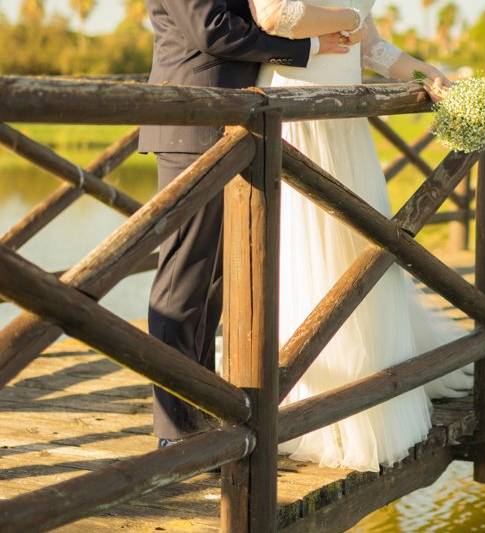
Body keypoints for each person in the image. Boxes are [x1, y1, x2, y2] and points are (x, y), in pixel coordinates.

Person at [249, 0, 485, 472]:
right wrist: (349, 19)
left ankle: (366, 387)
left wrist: (429, 76)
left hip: (344, 125)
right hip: (294, 113)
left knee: (357, 254)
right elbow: (275, 16)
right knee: (303, 252)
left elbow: (374, 49)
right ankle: (298, 395)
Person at [139, 0, 349, 448]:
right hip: (191, 123)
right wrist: (305, 48)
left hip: (221, 124)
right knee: (182, 280)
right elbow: (211, 32)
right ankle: (173, 431)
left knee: (210, 283)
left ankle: (198, 411)